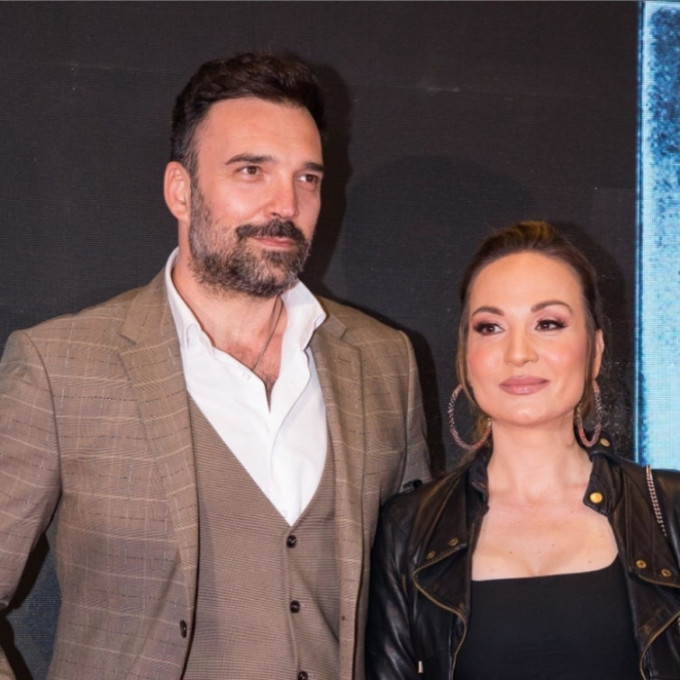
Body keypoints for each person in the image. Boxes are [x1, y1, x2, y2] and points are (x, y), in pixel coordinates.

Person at [0, 52, 430, 680]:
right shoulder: (60, 368)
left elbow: (416, 599)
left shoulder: (384, 361)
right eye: (251, 170)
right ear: (181, 190)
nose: (285, 202)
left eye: (307, 178)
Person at [366, 221, 680, 680]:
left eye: (548, 324)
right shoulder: (408, 530)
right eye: (491, 327)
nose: (518, 353)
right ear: (466, 357)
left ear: (594, 351)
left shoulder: (669, 510)